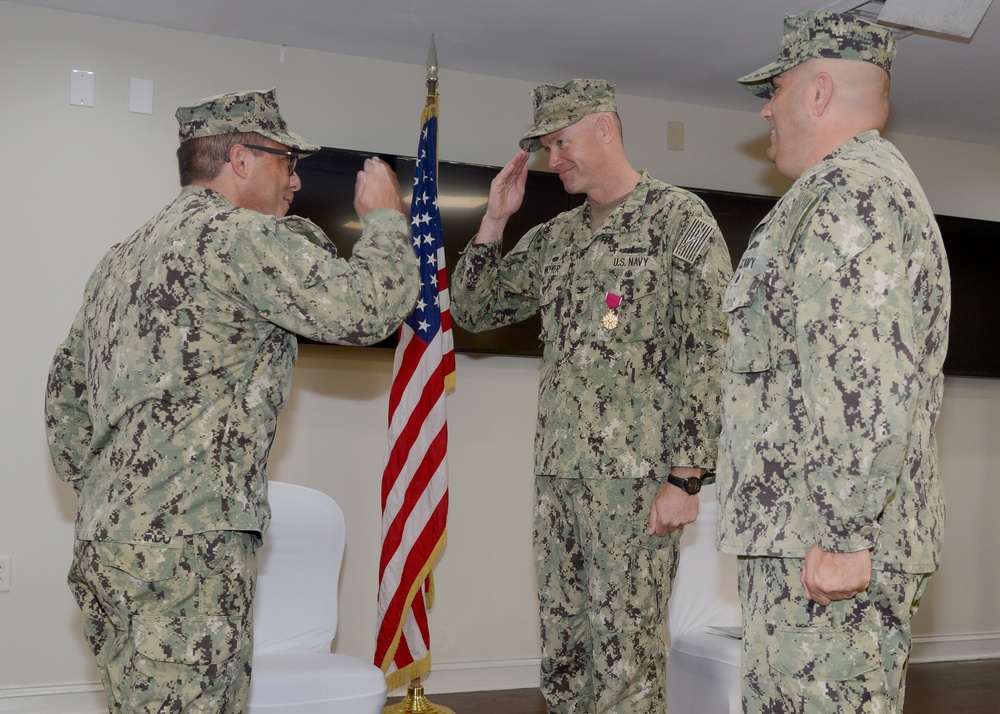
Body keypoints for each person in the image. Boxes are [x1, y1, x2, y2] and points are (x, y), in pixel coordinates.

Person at [44, 88, 419, 713]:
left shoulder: (121, 258)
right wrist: (383, 219)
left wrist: (126, 496)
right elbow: (369, 309)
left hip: (110, 544)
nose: (295, 181)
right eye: (286, 161)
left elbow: (65, 400)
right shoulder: (236, 235)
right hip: (188, 551)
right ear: (240, 159)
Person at [451, 79, 732, 712]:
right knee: (565, 658)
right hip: (559, 480)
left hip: (635, 486)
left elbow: (710, 348)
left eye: (561, 141)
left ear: (605, 128)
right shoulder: (556, 238)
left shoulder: (679, 221)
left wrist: (686, 479)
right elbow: (473, 306)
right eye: (548, 146)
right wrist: (495, 218)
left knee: (626, 662)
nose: (555, 159)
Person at [716, 10, 951, 713]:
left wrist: (846, 534)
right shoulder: (853, 189)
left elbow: (866, 378)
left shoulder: (850, 194)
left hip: (825, 546)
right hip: (807, 539)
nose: (765, 107)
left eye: (776, 89)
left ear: (817, 92)